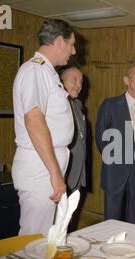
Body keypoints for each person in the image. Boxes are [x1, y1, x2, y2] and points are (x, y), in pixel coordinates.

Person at [11, 19, 76, 235]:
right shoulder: (34, 71)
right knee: (34, 237)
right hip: (40, 167)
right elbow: (34, 121)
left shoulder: (47, 73)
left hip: (46, 165)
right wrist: (55, 173)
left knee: (48, 235)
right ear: (59, 41)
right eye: (71, 44)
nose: (74, 51)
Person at [95, 65, 135, 225]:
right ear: (126, 80)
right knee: (112, 220)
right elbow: (101, 138)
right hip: (115, 172)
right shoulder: (110, 105)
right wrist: (115, 161)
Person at [58, 65, 86, 193]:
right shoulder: (55, 106)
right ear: (61, 81)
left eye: (80, 81)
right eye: (74, 80)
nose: (78, 85)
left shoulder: (78, 105)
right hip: (62, 172)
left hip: (77, 171)